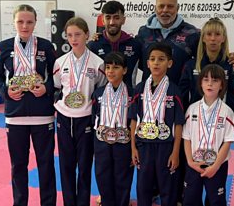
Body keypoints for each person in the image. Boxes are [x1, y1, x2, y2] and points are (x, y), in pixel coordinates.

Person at [0, 4, 56, 206]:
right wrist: (6, 92)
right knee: (18, 165)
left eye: (29, 22)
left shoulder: (45, 46)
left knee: (45, 165)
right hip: (15, 114)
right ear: (14, 22)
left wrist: (46, 88)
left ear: (35, 23)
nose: (24, 26)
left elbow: (57, 77)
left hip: (42, 114)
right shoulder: (5, 46)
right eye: (20, 21)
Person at [53, 17, 106, 206]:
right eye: (69, 35)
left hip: (86, 119)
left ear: (86, 35)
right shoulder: (60, 62)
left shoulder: (97, 63)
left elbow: (100, 89)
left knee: (84, 166)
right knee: (66, 166)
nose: (73, 39)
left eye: (77, 34)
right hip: (65, 118)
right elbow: (57, 88)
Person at [136, 0, 234, 85]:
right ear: (155, 8)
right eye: (161, 6)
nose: (165, 10)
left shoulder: (192, 34)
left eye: (170, 6)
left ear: (177, 8)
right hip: (149, 95)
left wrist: (232, 57)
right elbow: (137, 62)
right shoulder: (143, 33)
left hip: (180, 96)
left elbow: (210, 58)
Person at [129, 42, 185, 206]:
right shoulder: (139, 89)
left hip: (166, 147)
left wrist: (176, 152)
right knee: (143, 187)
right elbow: (133, 119)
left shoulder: (174, 91)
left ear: (169, 63)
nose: (156, 63)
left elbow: (179, 124)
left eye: (161, 59)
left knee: (168, 188)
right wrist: (133, 148)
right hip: (144, 145)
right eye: (152, 59)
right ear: (147, 64)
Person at [182, 64, 234, 206]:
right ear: (200, 83)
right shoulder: (192, 109)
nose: (210, 83)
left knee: (216, 201)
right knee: (190, 199)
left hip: (217, 165)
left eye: (215, 80)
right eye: (206, 79)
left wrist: (215, 166)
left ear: (222, 85)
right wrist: (189, 162)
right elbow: (186, 138)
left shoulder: (227, 111)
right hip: (194, 163)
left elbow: (228, 142)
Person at [179, 17, 234, 118]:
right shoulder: (191, 65)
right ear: (203, 38)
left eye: (217, 34)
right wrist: (183, 120)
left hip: (223, 121)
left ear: (223, 38)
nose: (213, 38)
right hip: (196, 119)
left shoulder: (232, 65)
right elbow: (182, 96)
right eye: (209, 34)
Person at [92, 52, 134, 206]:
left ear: (124, 70)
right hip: (102, 142)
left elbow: (134, 120)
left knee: (123, 175)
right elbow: (93, 117)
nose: (110, 71)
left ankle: (122, 202)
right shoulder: (98, 93)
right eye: (108, 67)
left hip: (123, 142)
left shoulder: (132, 93)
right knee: (102, 175)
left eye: (115, 67)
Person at [88, 0, 142, 88]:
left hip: (129, 98)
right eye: (108, 18)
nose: (112, 22)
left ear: (123, 20)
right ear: (102, 20)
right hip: (100, 98)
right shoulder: (93, 46)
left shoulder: (135, 45)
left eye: (116, 18)